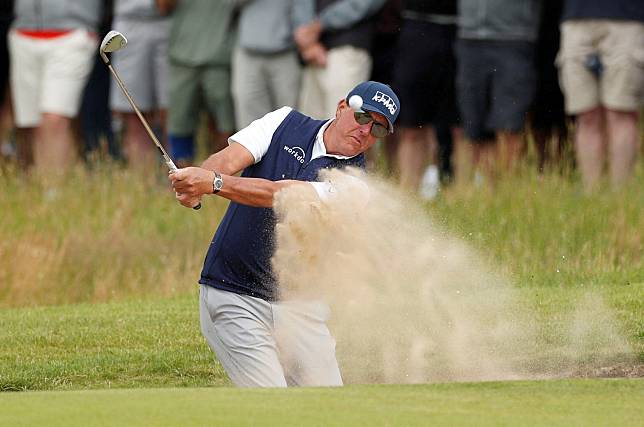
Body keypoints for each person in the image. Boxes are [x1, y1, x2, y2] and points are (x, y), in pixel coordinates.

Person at [169, 81, 400, 387]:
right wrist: (197, 181)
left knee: (329, 412)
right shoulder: (284, 122)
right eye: (362, 117)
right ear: (342, 107)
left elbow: (280, 194)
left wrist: (213, 184)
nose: (365, 131)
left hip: (302, 308)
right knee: (274, 405)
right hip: (233, 293)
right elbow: (227, 161)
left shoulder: (354, 185)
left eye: (378, 129)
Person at [557, 0, 643, 191]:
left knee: (620, 113)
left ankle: (620, 196)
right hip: (577, 19)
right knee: (586, 115)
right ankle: (591, 194)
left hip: (627, 19)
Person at [8, 0, 101, 173]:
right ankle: (35, 190)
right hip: (23, 30)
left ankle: (53, 193)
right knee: (29, 125)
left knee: (54, 120)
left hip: (73, 31)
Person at [455, 0, 541, 180]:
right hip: (469, 37)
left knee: (508, 124)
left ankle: (503, 192)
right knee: (472, 126)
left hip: (514, 38)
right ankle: (476, 193)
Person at [158, 0, 239, 167]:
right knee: (179, 124)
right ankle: (181, 182)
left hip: (219, 59)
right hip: (182, 56)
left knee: (224, 125)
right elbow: (162, 7)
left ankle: (224, 177)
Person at [392, 0, 459, 194]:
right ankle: (408, 196)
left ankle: (462, 198)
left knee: (460, 127)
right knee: (411, 125)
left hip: (463, 32)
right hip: (416, 27)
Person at [295, 0, 386, 120]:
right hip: (313, 50)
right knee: (309, 125)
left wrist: (316, 26)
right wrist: (307, 40)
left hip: (348, 48)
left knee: (341, 122)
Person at [108, 0, 171, 170]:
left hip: (173, 20)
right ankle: (143, 184)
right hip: (130, 21)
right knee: (134, 113)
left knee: (172, 113)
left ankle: (181, 184)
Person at [232, 0, 310, 130]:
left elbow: (305, 9)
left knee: (289, 118)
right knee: (249, 125)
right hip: (248, 53)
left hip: (286, 52)